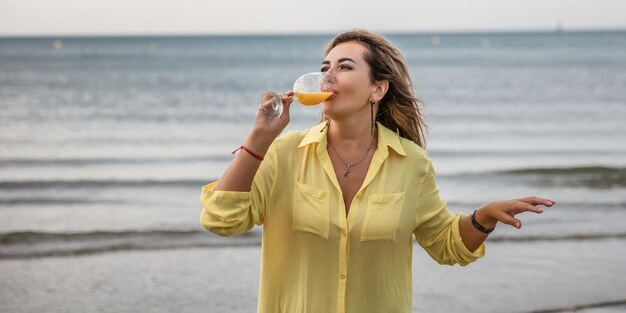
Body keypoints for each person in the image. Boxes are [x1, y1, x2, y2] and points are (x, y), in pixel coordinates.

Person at [200, 29, 554, 313]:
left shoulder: (410, 162)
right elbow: (222, 220)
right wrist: (259, 138)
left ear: (378, 89)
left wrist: (484, 217)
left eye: (344, 67)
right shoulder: (284, 152)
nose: (327, 76)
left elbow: (446, 245)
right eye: (325, 68)